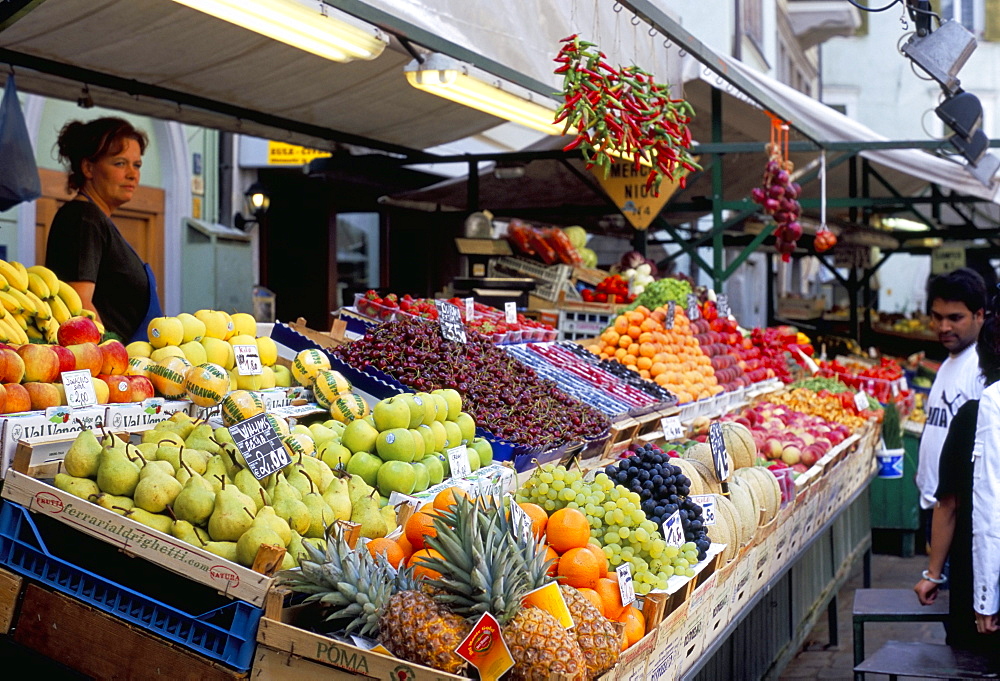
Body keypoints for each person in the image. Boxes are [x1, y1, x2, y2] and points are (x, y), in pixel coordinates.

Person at [915, 310, 1000, 653]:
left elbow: (948, 503)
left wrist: (933, 575)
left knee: (970, 661)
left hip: (977, 571)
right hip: (980, 568)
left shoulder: (972, 417)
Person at [45, 117, 161, 342]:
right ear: (88, 168)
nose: (132, 174)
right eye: (120, 163)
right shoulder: (84, 219)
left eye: (136, 165)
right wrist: (110, 358)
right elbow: (79, 305)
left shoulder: (97, 220)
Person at [915, 268, 986, 549]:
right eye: (937, 317)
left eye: (955, 318)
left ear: (980, 315)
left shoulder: (980, 368)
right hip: (937, 508)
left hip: (961, 515)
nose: (944, 327)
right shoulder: (950, 361)